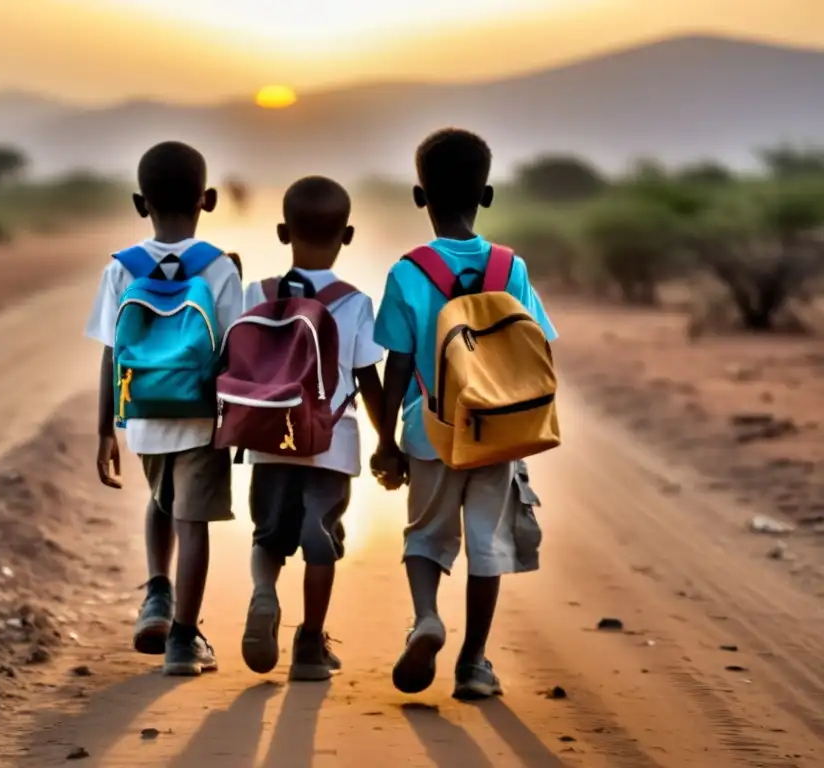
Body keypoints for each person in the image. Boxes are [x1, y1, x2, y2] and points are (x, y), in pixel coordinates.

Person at [372, 128, 558, 700]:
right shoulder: (512, 269)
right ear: (488, 195)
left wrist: (387, 440)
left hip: (432, 430)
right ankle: (474, 662)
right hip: (500, 432)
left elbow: (396, 365)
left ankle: (426, 617)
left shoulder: (407, 272)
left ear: (419, 196)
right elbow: (540, 346)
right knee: (488, 544)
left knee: (425, 536)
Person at [84, 141, 242, 676]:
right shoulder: (220, 268)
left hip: (144, 415)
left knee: (160, 498)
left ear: (139, 202)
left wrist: (105, 430)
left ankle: (157, 590)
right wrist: (237, 424)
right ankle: (183, 637)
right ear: (209, 200)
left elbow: (111, 352)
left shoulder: (120, 269)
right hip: (200, 417)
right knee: (193, 521)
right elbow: (234, 353)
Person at [240, 176, 386, 681]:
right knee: (320, 535)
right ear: (347, 236)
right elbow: (369, 380)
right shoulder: (354, 303)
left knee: (267, 534)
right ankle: (308, 645)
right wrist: (388, 443)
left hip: (265, 435)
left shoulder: (254, 292)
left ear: (284, 232)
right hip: (331, 441)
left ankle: (264, 593)